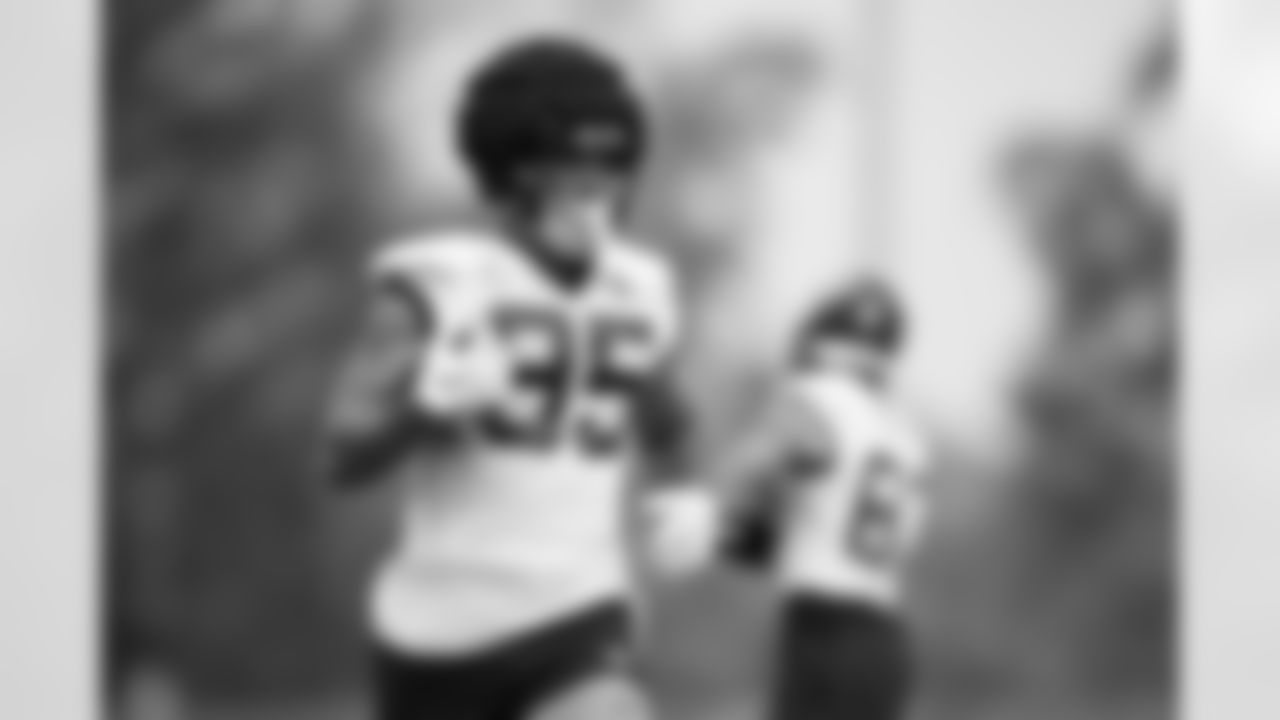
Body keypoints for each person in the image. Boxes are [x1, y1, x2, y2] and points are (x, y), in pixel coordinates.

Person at [322, 35, 691, 720]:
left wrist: (682, 492)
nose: (598, 194)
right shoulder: (439, 284)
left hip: (578, 612)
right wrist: (426, 410)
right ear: (514, 176)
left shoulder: (642, 291)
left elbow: (666, 417)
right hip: (437, 633)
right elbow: (343, 453)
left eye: (610, 171)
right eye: (573, 174)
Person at [717, 276, 933, 720]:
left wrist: (711, 509)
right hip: (884, 642)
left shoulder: (821, 398)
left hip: (824, 633)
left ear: (822, 342)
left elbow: (766, 457)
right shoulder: (904, 430)